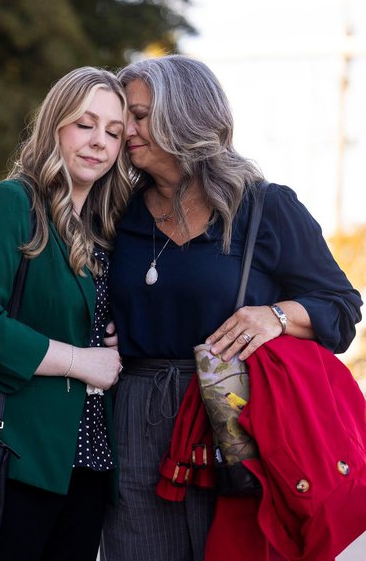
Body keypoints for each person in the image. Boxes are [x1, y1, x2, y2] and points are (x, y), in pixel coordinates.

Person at [100, 54, 362, 561]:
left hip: (232, 413)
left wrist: (278, 316)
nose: (124, 129)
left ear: (186, 115)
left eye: (139, 114)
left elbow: (341, 308)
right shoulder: (114, 210)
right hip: (133, 416)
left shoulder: (265, 207)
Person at [0, 67, 130, 560]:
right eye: (85, 124)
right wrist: (78, 359)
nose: (99, 143)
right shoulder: (7, 204)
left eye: (113, 131)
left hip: (88, 467)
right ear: (55, 125)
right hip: (8, 459)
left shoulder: (105, 233)